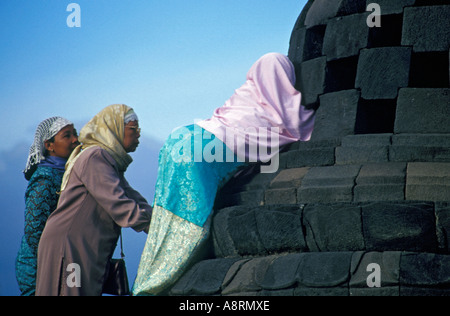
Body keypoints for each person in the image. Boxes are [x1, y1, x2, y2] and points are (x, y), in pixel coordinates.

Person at [132, 53, 316, 295]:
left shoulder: (244, 97)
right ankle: (159, 281)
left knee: (167, 210)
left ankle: (145, 280)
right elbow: (298, 130)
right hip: (195, 154)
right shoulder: (276, 112)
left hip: (183, 137)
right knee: (190, 222)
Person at [35, 104, 153, 296]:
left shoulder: (108, 162)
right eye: (133, 129)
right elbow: (120, 206)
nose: (138, 134)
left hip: (82, 247)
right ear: (114, 129)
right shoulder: (95, 157)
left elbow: (133, 199)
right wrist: (164, 230)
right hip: (70, 247)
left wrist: (162, 220)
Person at [16, 117, 79, 296]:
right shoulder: (45, 179)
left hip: (69, 260)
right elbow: (34, 229)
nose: (75, 139)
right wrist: (54, 261)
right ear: (49, 145)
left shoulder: (70, 173)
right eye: (67, 136)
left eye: (75, 133)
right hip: (39, 265)